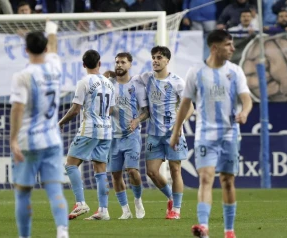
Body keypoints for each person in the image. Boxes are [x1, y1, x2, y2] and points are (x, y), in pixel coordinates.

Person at [170, 29, 252, 238]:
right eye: (228, 45)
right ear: (215, 47)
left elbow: (247, 99)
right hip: (205, 135)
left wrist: (244, 112)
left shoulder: (235, 71)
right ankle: (203, 226)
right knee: (205, 178)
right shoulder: (195, 72)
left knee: (227, 181)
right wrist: (176, 131)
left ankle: (229, 231)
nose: (232, 49)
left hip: (229, 135)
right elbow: (185, 104)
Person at [9, 21, 69, 238]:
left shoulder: (22, 76)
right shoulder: (55, 65)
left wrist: (13, 139)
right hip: (53, 140)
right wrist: (52, 29)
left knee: (23, 192)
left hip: (28, 142)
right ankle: (62, 232)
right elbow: (53, 47)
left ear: (25, 50)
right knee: (55, 189)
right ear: (45, 48)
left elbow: (17, 109)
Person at [59, 49, 115, 221]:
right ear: (99, 63)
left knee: (70, 164)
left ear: (83, 65)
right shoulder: (109, 83)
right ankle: (103, 210)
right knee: (100, 170)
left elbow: (75, 109)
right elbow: (111, 109)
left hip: (90, 129)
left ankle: (80, 203)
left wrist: (60, 123)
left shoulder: (84, 82)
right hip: (106, 130)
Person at [137, 46, 193, 219]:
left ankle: (176, 209)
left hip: (173, 133)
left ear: (167, 61)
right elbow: (128, 80)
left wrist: (179, 124)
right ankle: (170, 196)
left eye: (159, 57)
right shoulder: (146, 78)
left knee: (175, 170)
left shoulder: (177, 82)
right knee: (152, 172)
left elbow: (189, 107)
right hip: (154, 133)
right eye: (153, 57)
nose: (155, 60)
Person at [104, 52, 147, 219]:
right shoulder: (109, 84)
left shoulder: (137, 85)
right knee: (115, 174)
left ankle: (137, 200)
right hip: (113, 136)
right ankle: (125, 210)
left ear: (130, 64)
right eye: (117, 62)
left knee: (132, 171)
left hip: (131, 134)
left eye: (123, 62)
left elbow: (146, 111)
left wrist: (137, 120)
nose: (119, 65)